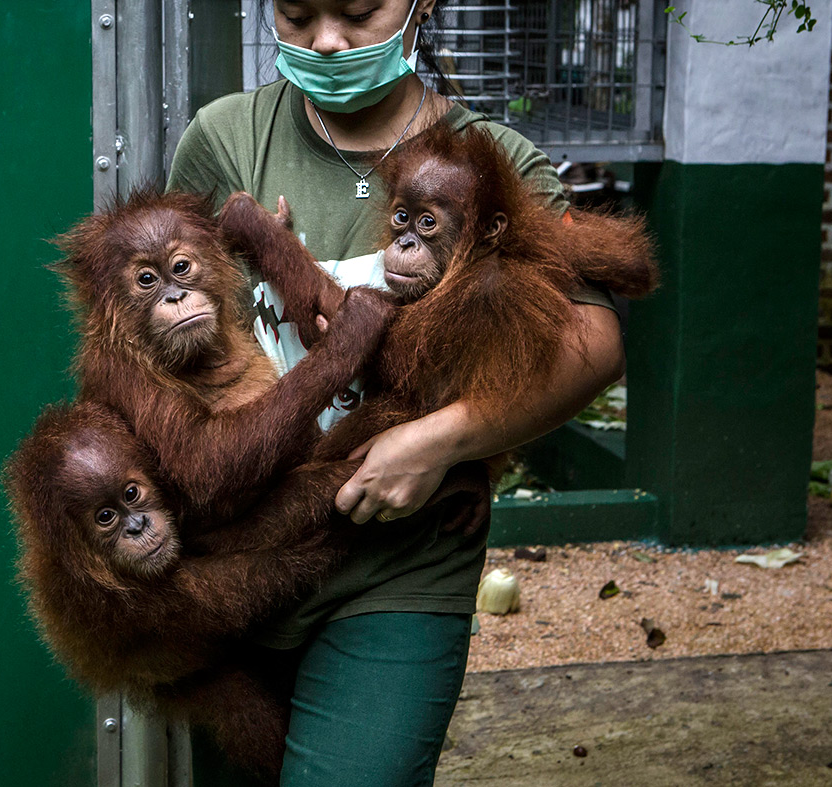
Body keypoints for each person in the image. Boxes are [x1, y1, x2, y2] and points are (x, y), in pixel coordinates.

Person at [166, 1, 624, 784]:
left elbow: (595, 341)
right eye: (298, 14)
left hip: (397, 565)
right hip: (236, 554)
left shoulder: (492, 162)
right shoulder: (225, 139)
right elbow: (153, 332)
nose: (327, 43)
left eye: (356, 12)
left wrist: (446, 441)